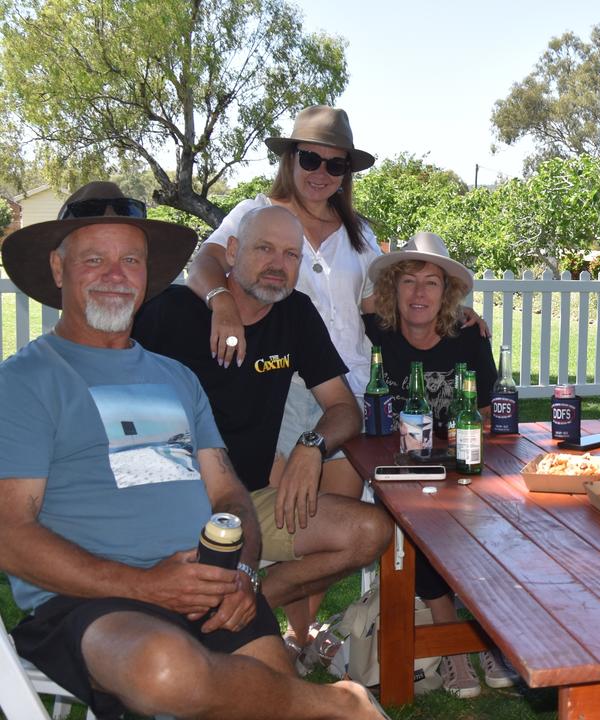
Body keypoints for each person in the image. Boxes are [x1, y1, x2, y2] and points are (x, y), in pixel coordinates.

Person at [0, 182, 387, 719]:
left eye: (130, 260)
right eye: (95, 259)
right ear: (59, 269)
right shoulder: (25, 380)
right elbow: (10, 535)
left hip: (207, 585)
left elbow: (228, 493)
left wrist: (241, 573)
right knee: (165, 669)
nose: (116, 275)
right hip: (93, 599)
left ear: (146, 274)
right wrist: (147, 586)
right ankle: (338, 703)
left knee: (260, 689)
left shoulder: (175, 379)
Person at [132, 205, 393, 661]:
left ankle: (255, 604)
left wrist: (311, 447)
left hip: (252, 501)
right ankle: (230, 618)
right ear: (232, 252)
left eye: (291, 254)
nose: (278, 264)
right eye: (264, 249)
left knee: (368, 531)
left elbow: (342, 408)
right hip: (174, 501)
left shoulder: (294, 313)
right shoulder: (169, 313)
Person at [186, 105, 381, 500]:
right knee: (282, 510)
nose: (321, 173)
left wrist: (451, 313)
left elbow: (377, 305)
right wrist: (221, 302)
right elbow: (203, 264)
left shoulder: (359, 232)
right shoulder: (256, 213)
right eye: (310, 159)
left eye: (335, 165)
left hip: (352, 388)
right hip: (283, 380)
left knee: (339, 512)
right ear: (290, 159)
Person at [362, 230, 514, 697]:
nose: (420, 293)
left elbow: (487, 409)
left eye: (432, 282)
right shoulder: (376, 332)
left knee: (490, 515)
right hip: (399, 465)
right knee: (418, 518)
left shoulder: (467, 334)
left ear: (448, 293)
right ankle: (456, 646)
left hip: (459, 461)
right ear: (393, 289)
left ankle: (481, 635)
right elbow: (355, 306)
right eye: (409, 281)